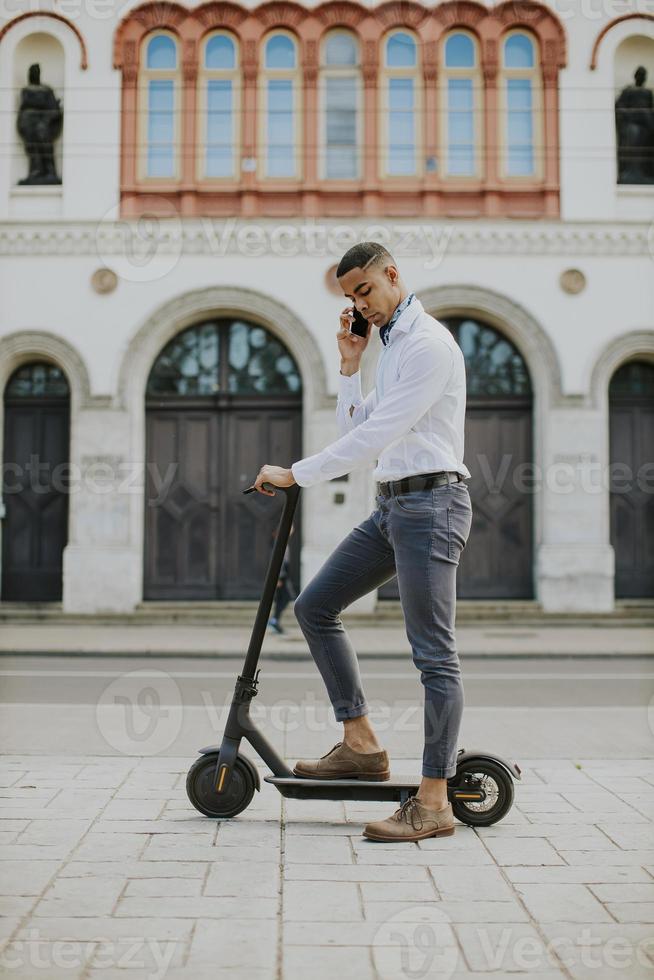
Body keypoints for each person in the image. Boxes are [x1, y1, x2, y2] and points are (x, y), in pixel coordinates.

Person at [253, 242, 473, 843]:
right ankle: (360, 743)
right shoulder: (394, 347)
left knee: (434, 655)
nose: (359, 305)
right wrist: (350, 365)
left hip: (431, 505)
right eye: (351, 297)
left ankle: (433, 801)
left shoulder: (427, 345)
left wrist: (296, 473)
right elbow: (357, 426)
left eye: (365, 291)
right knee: (314, 607)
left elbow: (376, 434)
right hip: (393, 505)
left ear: (392, 274)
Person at [268, 525, 296, 634]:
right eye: (290, 528)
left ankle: (275, 621)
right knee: (286, 597)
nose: (292, 530)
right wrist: (278, 578)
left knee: (281, 599)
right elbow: (277, 561)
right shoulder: (279, 543)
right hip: (281, 577)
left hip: (283, 576)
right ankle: (274, 621)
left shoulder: (282, 541)